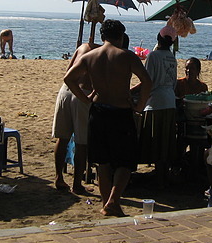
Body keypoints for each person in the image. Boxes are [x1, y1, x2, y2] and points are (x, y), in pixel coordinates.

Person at [63, 19, 152, 218]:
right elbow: (147, 81)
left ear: (102, 37)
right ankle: (113, 201)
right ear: (120, 37)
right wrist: (139, 106)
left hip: (98, 111)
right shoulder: (126, 55)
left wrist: (85, 99)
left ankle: (107, 204)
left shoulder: (90, 56)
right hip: (120, 112)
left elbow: (68, 78)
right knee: (125, 162)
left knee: (102, 162)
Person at [52, 40, 98, 194]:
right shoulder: (103, 52)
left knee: (63, 138)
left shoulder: (83, 47)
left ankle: (59, 177)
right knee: (81, 142)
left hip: (65, 90)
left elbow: (68, 70)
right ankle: (77, 184)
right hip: (83, 93)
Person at [136, 26, 179, 187]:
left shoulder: (153, 56)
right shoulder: (171, 57)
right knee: (166, 140)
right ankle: (163, 174)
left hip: (156, 103)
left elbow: (148, 81)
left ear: (158, 39)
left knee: (155, 139)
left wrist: (135, 94)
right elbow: (173, 82)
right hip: (170, 100)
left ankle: (159, 178)